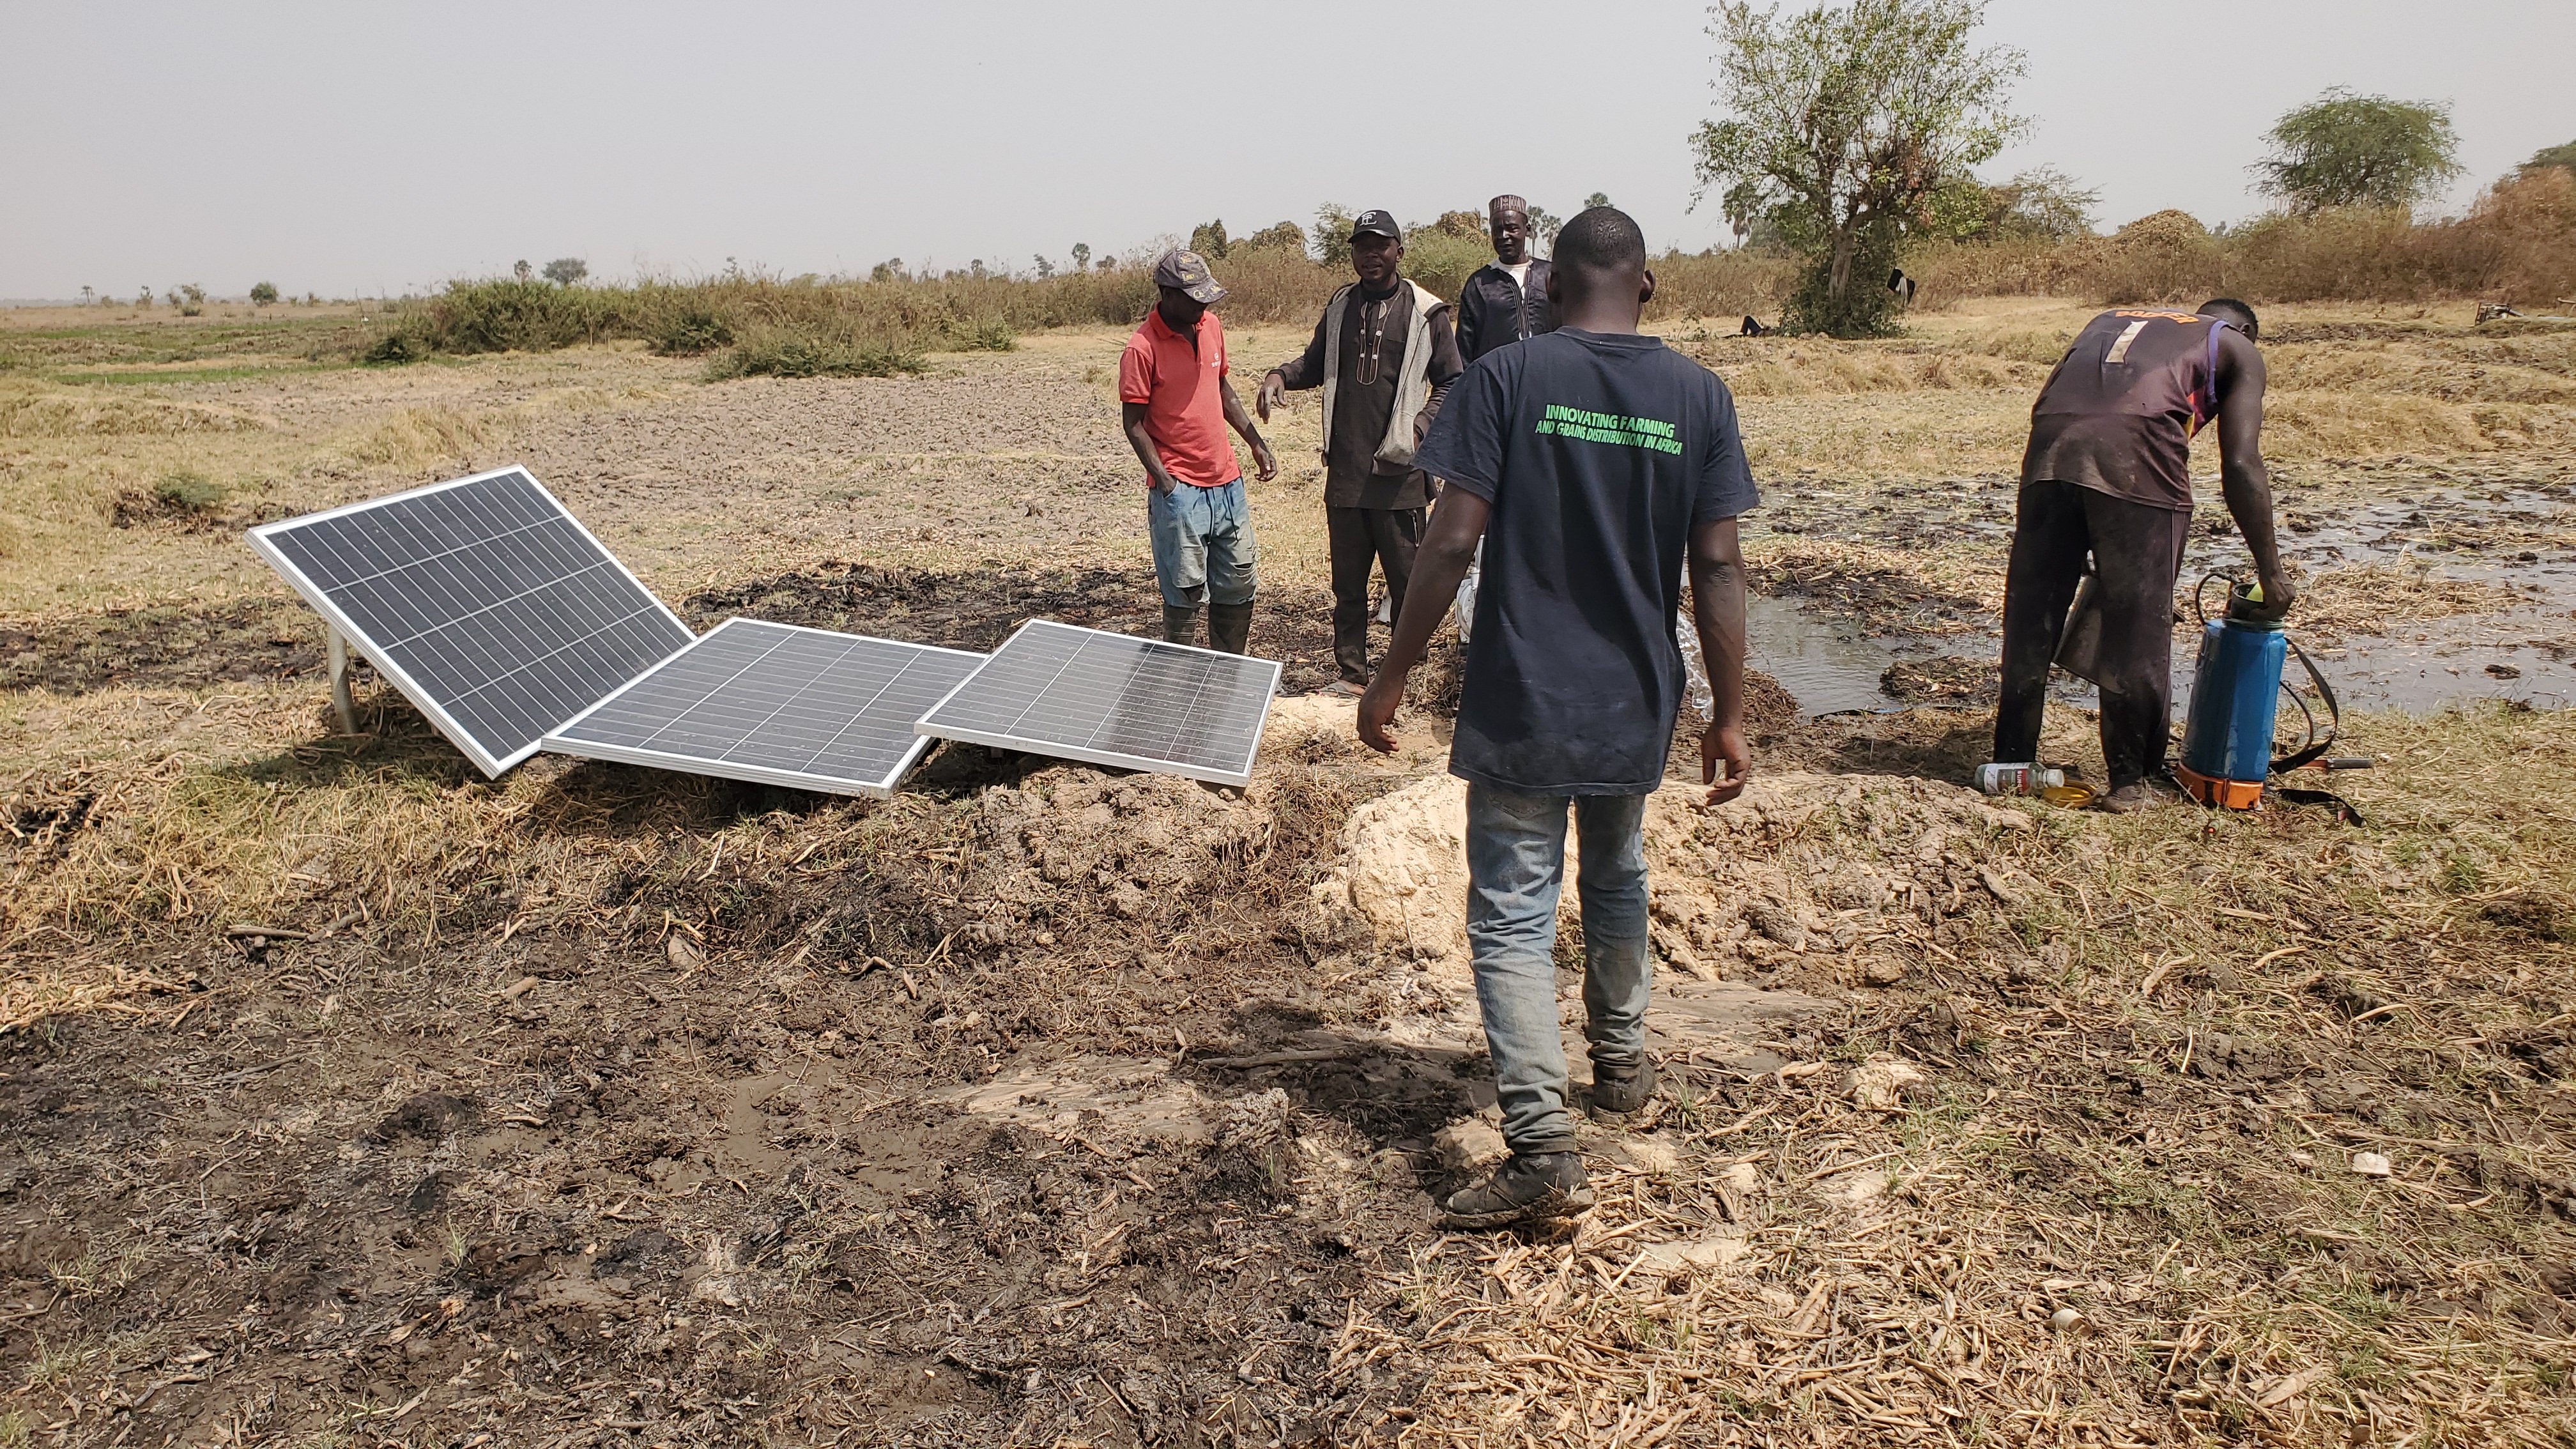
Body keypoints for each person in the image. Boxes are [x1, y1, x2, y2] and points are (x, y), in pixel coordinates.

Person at [1354, 208, 1758, 1229]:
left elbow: (1451, 543)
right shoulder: (1699, 396)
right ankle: (1620, 1067)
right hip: (1635, 696)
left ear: (1552, 289)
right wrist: (1728, 714)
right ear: (1646, 286)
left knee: (1512, 913)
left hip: (1526, 695)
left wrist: (1392, 672)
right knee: (1617, 872)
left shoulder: (1507, 379)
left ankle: (1540, 1147)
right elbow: (1717, 565)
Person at [1993, 301, 2294, 811]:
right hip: (2140, 446)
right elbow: (2241, 463)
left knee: (2032, 614)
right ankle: (2130, 783)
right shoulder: (2237, 345)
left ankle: (2011, 762)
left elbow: (2066, 393)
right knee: (2139, 623)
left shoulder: (2112, 319)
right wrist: (2272, 570)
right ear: (2242, 330)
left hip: (2051, 440)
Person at [1256, 210, 1464, 694]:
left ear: (1399, 251)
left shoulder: (1426, 312)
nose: (1371, 255)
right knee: (1347, 588)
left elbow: (1453, 381)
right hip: (1347, 474)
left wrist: (1420, 427)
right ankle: (1351, 675)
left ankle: (1404, 678)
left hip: (1400, 475)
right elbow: (1314, 364)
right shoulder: (1341, 307)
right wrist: (1279, 375)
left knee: (1408, 584)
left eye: (1380, 245)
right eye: (1361, 246)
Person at [1119, 249, 1277, 653]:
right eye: (1194, 298)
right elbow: (1133, 424)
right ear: (1167, 294)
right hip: (1180, 490)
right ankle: (1182, 678)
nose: (1203, 306)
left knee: (1238, 582)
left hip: (1228, 483)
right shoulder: (1141, 348)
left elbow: (1221, 388)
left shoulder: (1211, 327)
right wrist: (1166, 482)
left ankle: (1229, 672)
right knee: (1185, 590)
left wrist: (1255, 442)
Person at [1454, 194, 1554, 365]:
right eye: (1497, 230)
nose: (1504, 236)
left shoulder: (1550, 275)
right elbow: (1464, 349)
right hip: (1497, 377)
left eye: (1512, 228)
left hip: (1548, 373)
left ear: (1527, 230)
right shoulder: (1479, 284)